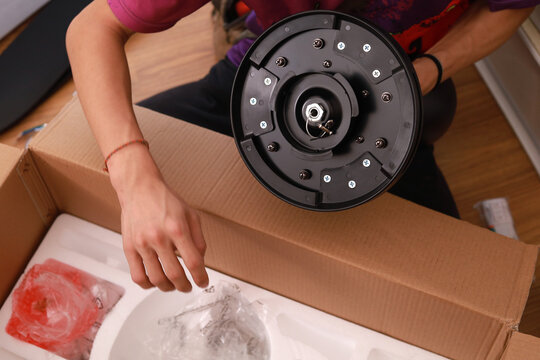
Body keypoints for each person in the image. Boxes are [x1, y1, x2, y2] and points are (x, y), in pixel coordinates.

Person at [65, 0, 537, 293]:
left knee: (459, 286)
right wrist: (134, 179)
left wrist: (428, 70)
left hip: (400, 85)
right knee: (87, 180)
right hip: (266, 67)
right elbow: (91, 29)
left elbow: (511, 4)